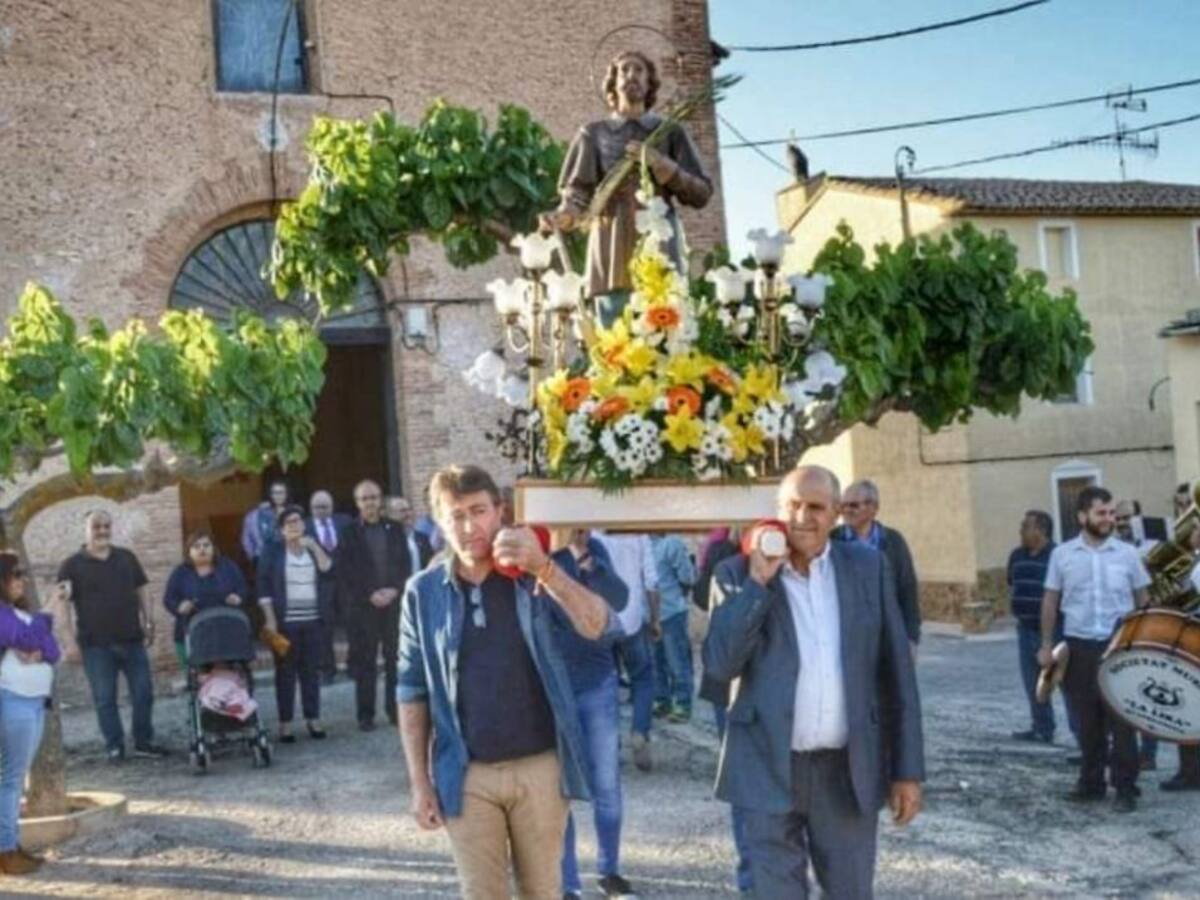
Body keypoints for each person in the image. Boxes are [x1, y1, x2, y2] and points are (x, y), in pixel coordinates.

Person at [397, 465, 621, 899]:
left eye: (478, 511)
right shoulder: (422, 593)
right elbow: (411, 691)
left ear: (500, 512)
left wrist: (543, 569)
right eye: (454, 515)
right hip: (466, 772)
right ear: (439, 523)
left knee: (542, 892)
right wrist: (420, 784)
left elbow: (601, 626)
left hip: (539, 766)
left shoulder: (536, 575)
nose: (468, 526)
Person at [703, 465, 925, 898]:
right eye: (793, 505)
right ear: (777, 510)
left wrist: (907, 771)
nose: (803, 517)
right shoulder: (735, 573)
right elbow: (720, 664)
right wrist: (757, 585)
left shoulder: (867, 566)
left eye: (816, 507)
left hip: (845, 772)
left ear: (837, 513)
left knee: (850, 891)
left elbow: (896, 673)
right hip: (767, 765)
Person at [541, 50, 713, 326]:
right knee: (613, 339)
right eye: (624, 70)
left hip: (660, 242)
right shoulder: (593, 134)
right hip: (610, 245)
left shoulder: (670, 132)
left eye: (639, 70)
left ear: (650, 83)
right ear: (613, 82)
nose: (631, 75)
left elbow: (701, 192)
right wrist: (565, 215)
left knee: (666, 332)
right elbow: (576, 193)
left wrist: (662, 166)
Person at [1039, 486, 1151, 813]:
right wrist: (1046, 645)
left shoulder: (1127, 554)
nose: (1109, 519)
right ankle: (1091, 783)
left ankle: (1126, 787)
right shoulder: (1062, 555)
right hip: (1079, 646)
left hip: (1118, 646)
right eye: (1102, 513)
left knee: (1122, 719)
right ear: (1082, 516)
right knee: (1087, 720)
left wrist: (1143, 642)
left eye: (1111, 513)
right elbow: (1050, 600)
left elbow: (1142, 599)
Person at [553, 529, 636, 900]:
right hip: (554, 686)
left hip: (597, 681)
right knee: (559, 791)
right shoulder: (539, 549)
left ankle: (610, 872)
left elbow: (619, 598)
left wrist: (587, 559)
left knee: (607, 786)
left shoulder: (594, 549)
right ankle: (568, 882)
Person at [57, 509, 168, 762]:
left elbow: (142, 589)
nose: (103, 531)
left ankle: (143, 741)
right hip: (95, 646)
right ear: (85, 529)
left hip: (132, 639)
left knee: (144, 693)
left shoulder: (126, 558)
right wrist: (69, 642)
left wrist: (149, 621)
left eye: (106, 526)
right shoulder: (70, 565)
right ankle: (114, 746)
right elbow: (62, 604)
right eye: (97, 526)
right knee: (105, 699)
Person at [338, 480, 431, 731]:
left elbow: (404, 564)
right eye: (364, 498)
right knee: (365, 662)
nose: (370, 503)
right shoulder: (348, 533)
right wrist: (369, 594)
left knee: (394, 660)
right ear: (358, 503)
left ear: (380, 501)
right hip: (364, 607)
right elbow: (346, 572)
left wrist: (394, 589)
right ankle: (365, 715)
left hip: (393, 605)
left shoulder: (395, 529)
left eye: (374, 497)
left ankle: (394, 712)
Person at [693, 526, 752, 895]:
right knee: (742, 776)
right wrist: (723, 549)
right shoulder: (722, 551)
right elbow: (701, 597)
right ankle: (750, 876)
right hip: (729, 682)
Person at [0, 552, 61, 874]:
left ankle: (10, 846)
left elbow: (53, 650)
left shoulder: (20, 614)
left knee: (14, 780)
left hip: (35, 702)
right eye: (15, 575)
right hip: (13, 700)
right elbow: (23, 638)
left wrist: (38, 648)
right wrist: (47, 613)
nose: (22, 580)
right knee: (9, 780)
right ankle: (5, 851)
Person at [257, 505, 332, 742]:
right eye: (289, 522)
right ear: (281, 529)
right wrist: (270, 619)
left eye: (298, 521)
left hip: (312, 621)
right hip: (285, 623)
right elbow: (263, 587)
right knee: (285, 673)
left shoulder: (312, 547)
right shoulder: (272, 552)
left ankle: (313, 718)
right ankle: (286, 723)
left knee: (311, 671)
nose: (295, 525)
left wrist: (314, 546)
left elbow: (328, 568)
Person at [594, 531, 659, 772]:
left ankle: (611, 746)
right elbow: (651, 580)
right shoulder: (640, 534)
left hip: (602, 620)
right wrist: (655, 619)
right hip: (633, 620)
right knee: (642, 678)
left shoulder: (595, 533)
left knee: (606, 684)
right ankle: (640, 732)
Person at [833, 479, 922, 651]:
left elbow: (907, 589)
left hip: (888, 632)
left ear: (873, 508)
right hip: (849, 637)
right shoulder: (833, 540)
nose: (846, 511)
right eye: (842, 506)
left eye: (853, 505)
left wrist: (912, 637)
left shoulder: (893, 541)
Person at [1115, 498, 1160, 770]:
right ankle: (1125, 750)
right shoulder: (1117, 550)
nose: (1122, 523)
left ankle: (1149, 753)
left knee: (1149, 689)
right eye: (1118, 519)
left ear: (1140, 517)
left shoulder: (1154, 546)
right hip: (1124, 626)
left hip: (1152, 625)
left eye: (1127, 517)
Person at [162, 531, 249, 670]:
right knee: (199, 676)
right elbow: (169, 599)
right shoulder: (180, 573)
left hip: (226, 631)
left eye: (206, 545)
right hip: (193, 633)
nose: (202, 549)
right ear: (188, 551)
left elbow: (243, 588)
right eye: (196, 546)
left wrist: (238, 597)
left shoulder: (228, 567)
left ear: (214, 548)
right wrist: (179, 607)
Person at [1007, 510, 1058, 744]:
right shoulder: (1017, 555)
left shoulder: (1057, 556)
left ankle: (1084, 739)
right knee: (1032, 683)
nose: (1020, 531)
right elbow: (1011, 583)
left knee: (1062, 683)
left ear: (1040, 530)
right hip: (1024, 628)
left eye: (1025, 526)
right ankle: (1041, 728)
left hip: (1053, 630)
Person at [305, 490, 350, 684]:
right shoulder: (305, 527)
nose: (322, 511)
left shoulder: (345, 522)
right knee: (324, 629)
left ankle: (355, 666)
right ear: (311, 508)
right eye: (317, 507)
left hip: (346, 582)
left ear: (332, 507)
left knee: (353, 624)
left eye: (325, 506)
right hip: (319, 584)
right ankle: (327, 670)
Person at [651, 533, 696, 723]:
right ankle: (677, 703)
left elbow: (688, 578)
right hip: (667, 611)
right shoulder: (672, 543)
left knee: (663, 661)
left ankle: (671, 702)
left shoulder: (641, 543)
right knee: (673, 660)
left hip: (661, 613)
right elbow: (688, 577)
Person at [240, 478, 289, 566]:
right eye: (275, 493)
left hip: (287, 558)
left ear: (286, 495)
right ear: (270, 494)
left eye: (281, 493)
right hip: (263, 559)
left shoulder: (291, 513)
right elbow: (246, 539)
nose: (278, 496)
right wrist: (254, 557)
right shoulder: (254, 515)